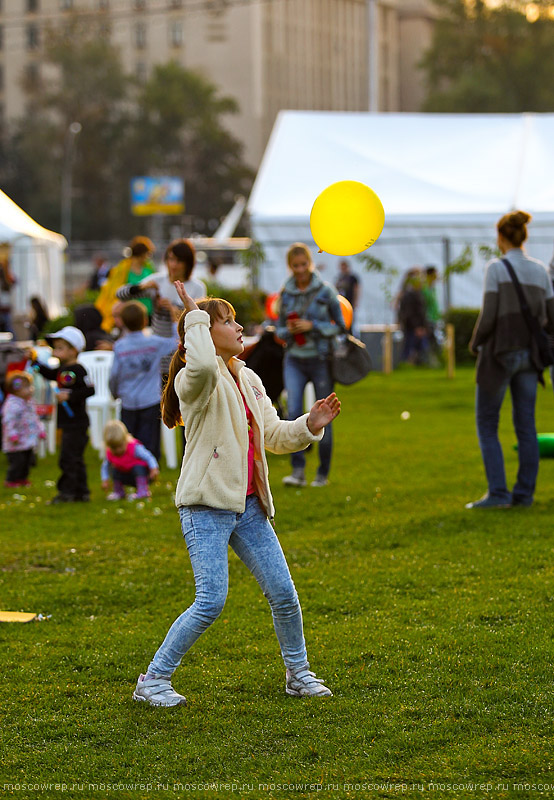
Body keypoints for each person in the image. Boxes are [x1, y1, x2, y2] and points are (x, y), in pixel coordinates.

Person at [132, 281, 340, 707]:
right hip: (205, 505)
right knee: (210, 601)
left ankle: (298, 675)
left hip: (248, 506)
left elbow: (275, 435)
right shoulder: (194, 380)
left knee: (284, 593)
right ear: (204, 335)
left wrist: (310, 425)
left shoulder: (249, 379)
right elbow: (204, 368)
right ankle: (152, 680)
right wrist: (193, 316)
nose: (240, 326)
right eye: (228, 321)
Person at [466, 210, 554, 510]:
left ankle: (499, 495)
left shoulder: (497, 268)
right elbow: (551, 318)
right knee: (526, 426)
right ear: (524, 236)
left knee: (488, 424)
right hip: (530, 358)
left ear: (501, 237)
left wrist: (475, 343)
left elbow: (489, 315)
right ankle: (524, 495)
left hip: (500, 355)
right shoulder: (541, 270)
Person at [275, 243, 345, 488]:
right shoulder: (286, 293)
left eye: (304, 264)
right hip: (294, 357)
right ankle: (297, 472)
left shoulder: (325, 290)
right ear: (290, 267)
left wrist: (313, 326)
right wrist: (290, 330)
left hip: (320, 359)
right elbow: (278, 328)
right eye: (295, 266)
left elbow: (341, 325)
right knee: (294, 413)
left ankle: (322, 473)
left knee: (325, 414)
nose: (300, 270)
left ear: (310, 263)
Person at [116, 239, 206, 379]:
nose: (173, 265)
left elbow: (201, 320)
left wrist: (175, 310)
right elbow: (120, 295)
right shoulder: (158, 281)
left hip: (184, 354)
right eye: (170, 259)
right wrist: (142, 287)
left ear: (188, 263)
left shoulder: (197, 287)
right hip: (158, 355)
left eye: (179, 261)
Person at [31, 326, 95, 503]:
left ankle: (67, 492)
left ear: (73, 350)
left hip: (77, 423)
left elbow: (90, 390)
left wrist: (70, 396)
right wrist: (36, 364)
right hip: (67, 422)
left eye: (60, 347)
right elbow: (50, 374)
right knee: (75, 458)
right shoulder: (60, 370)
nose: (56, 351)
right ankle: (81, 492)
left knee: (69, 458)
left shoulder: (79, 369)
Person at [108, 301, 178, 460]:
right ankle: (150, 471)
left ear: (123, 322)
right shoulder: (154, 343)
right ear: (145, 321)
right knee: (150, 441)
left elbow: (114, 375)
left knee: (128, 440)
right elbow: (177, 341)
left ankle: (129, 470)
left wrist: (114, 393)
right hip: (150, 399)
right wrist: (174, 318)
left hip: (128, 401)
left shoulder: (120, 346)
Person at [95, 236, 155, 333]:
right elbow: (115, 291)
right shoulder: (123, 269)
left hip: (148, 311)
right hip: (130, 313)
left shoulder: (148, 268)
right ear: (141, 254)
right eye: (147, 254)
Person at [1, 371, 45, 488]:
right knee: (17, 462)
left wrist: (40, 430)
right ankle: (11, 480)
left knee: (27, 461)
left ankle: (22, 478)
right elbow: (8, 421)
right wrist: (12, 434)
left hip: (28, 439)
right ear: (15, 390)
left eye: (30, 386)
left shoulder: (29, 402)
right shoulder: (12, 404)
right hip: (15, 441)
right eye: (26, 387)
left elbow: (35, 418)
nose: (30, 389)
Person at [101, 419, 159, 501]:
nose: (117, 450)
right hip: (125, 475)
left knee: (138, 467)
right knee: (114, 469)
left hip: (142, 475)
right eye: (114, 448)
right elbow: (105, 467)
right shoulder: (110, 453)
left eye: (120, 446)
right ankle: (118, 492)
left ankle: (143, 490)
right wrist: (105, 479)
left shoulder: (134, 447)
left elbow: (149, 457)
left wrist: (154, 468)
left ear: (125, 439)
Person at [396, 268, 429, 365]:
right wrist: (417, 326)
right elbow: (411, 312)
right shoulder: (410, 294)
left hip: (414, 325)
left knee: (414, 346)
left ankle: (413, 363)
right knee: (410, 346)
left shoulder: (415, 293)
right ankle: (405, 363)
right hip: (412, 326)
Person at [335, 259, 360, 333]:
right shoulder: (339, 278)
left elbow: (356, 290)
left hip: (350, 302)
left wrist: (355, 302)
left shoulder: (352, 278)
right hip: (342, 305)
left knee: (351, 323)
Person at [0, 244, 16, 336]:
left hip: (5, 306)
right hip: (5, 306)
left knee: (8, 329)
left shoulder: (6, 272)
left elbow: (11, 283)